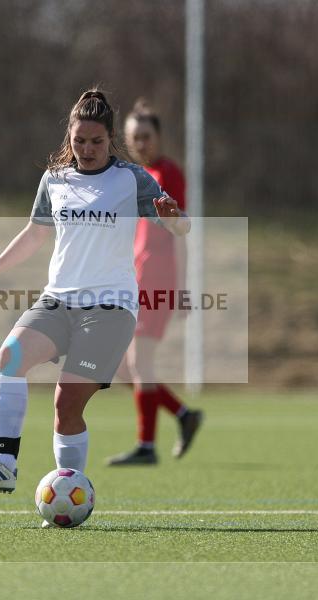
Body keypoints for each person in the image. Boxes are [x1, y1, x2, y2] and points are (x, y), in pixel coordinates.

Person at [0, 90, 190, 503]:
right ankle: (4, 464)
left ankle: (72, 493)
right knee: (10, 356)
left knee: (66, 405)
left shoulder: (131, 179)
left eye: (97, 141)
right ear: (69, 137)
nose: (88, 149)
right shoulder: (55, 179)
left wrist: (176, 219)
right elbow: (34, 234)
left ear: (110, 139)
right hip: (58, 302)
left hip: (110, 308)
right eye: (80, 141)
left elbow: (180, 226)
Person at [106, 99, 203, 466]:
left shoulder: (168, 174)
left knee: (138, 360)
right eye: (134, 137)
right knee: (119, 365)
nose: (140, 143)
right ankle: (182, 414)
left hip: (158, 278)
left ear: (159, 137)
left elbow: (180, 230)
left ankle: (147, 446)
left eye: (146, 136)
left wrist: (182, 288)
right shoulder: (134, 176)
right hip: (132, 280)